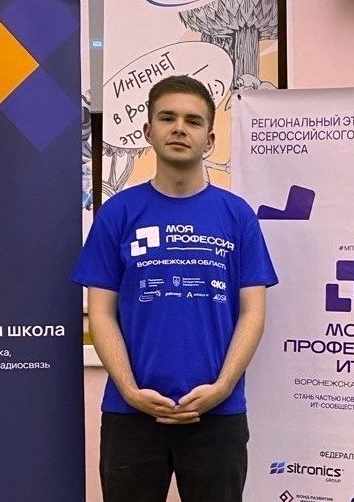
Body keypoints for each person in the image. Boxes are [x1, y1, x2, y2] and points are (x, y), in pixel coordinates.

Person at [72, 75, 277, 502]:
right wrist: (130, 390)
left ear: (210, 139)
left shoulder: (237, 216)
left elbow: (253, 312)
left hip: (216, 413)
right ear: (149, 131)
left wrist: (222, 388)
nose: (179, 128)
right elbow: (102, 313)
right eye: (167, 118)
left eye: (193, 121)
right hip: (131, 413)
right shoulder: (118, 214)